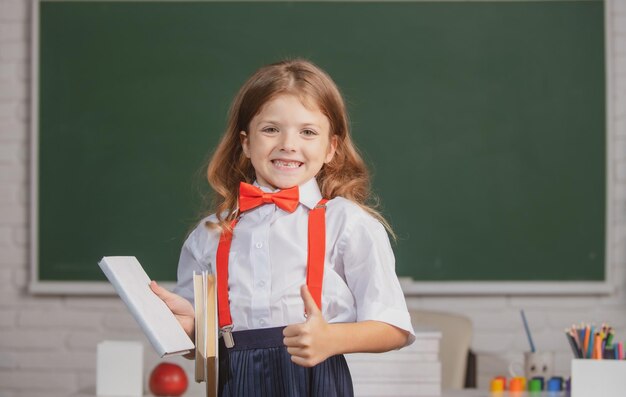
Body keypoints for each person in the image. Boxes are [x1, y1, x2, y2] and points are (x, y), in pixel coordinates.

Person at [151, 59, 415, 397]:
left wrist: (331, 339)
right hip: (234, 380)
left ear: (331, 147)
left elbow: (393, 327)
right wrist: (187, 326)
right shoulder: (209, 234)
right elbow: (196, 347)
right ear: (245, 143)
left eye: (307, 131)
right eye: (271, 129)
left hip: (314, 380)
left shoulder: (348, 223)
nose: (288, 144)